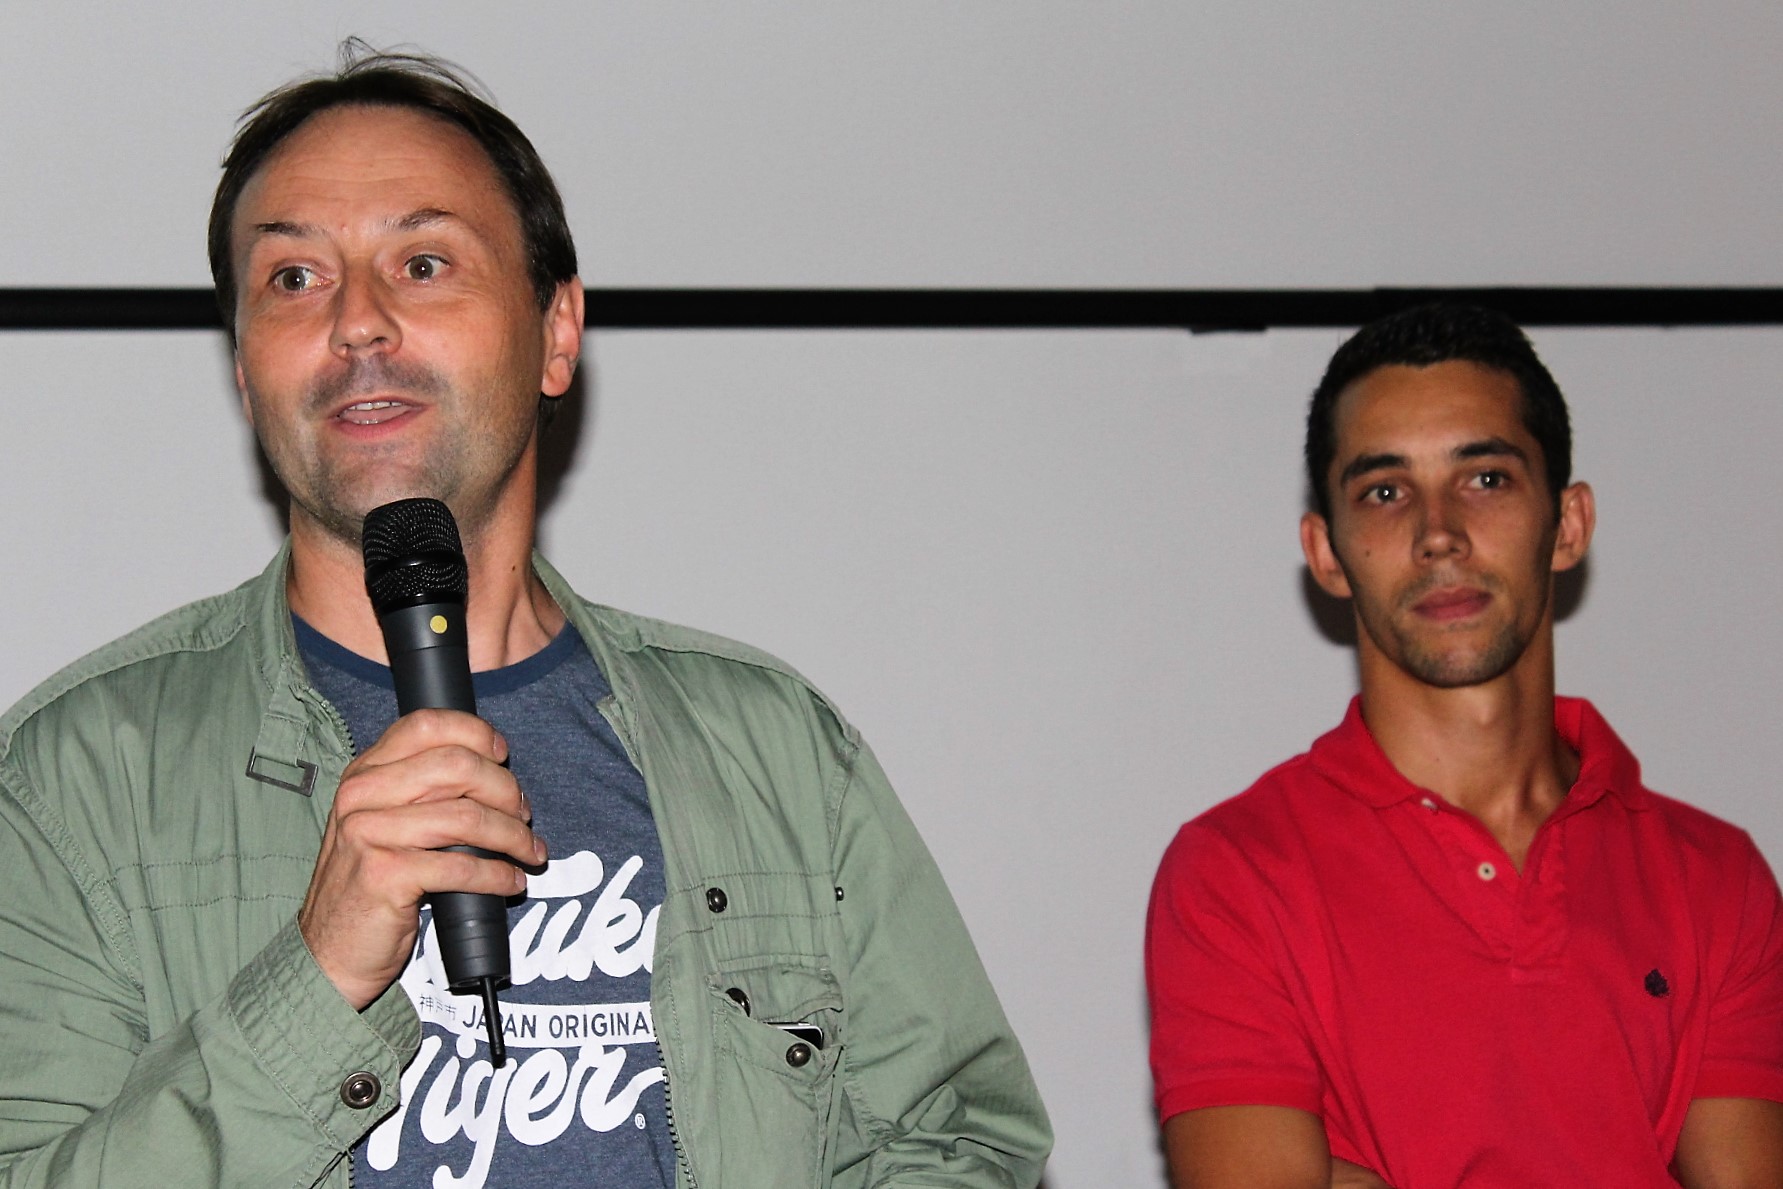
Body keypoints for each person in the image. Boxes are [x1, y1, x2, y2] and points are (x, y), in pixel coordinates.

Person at [0, 45, 1049, 1189]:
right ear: (246, 369)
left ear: (555, 333)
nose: (358, 323)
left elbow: (961, 1144)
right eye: (294, 278)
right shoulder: (74, 779)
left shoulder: (774, 749)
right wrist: (313, 981)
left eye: (423, 262)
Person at [1145, 304, 1783, 1188]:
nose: (1437, 532)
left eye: (1484, 478)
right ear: (1326, 553)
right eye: (1384, 490)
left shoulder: (1716, 878)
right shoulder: (1233, 874)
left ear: (1568, 524)